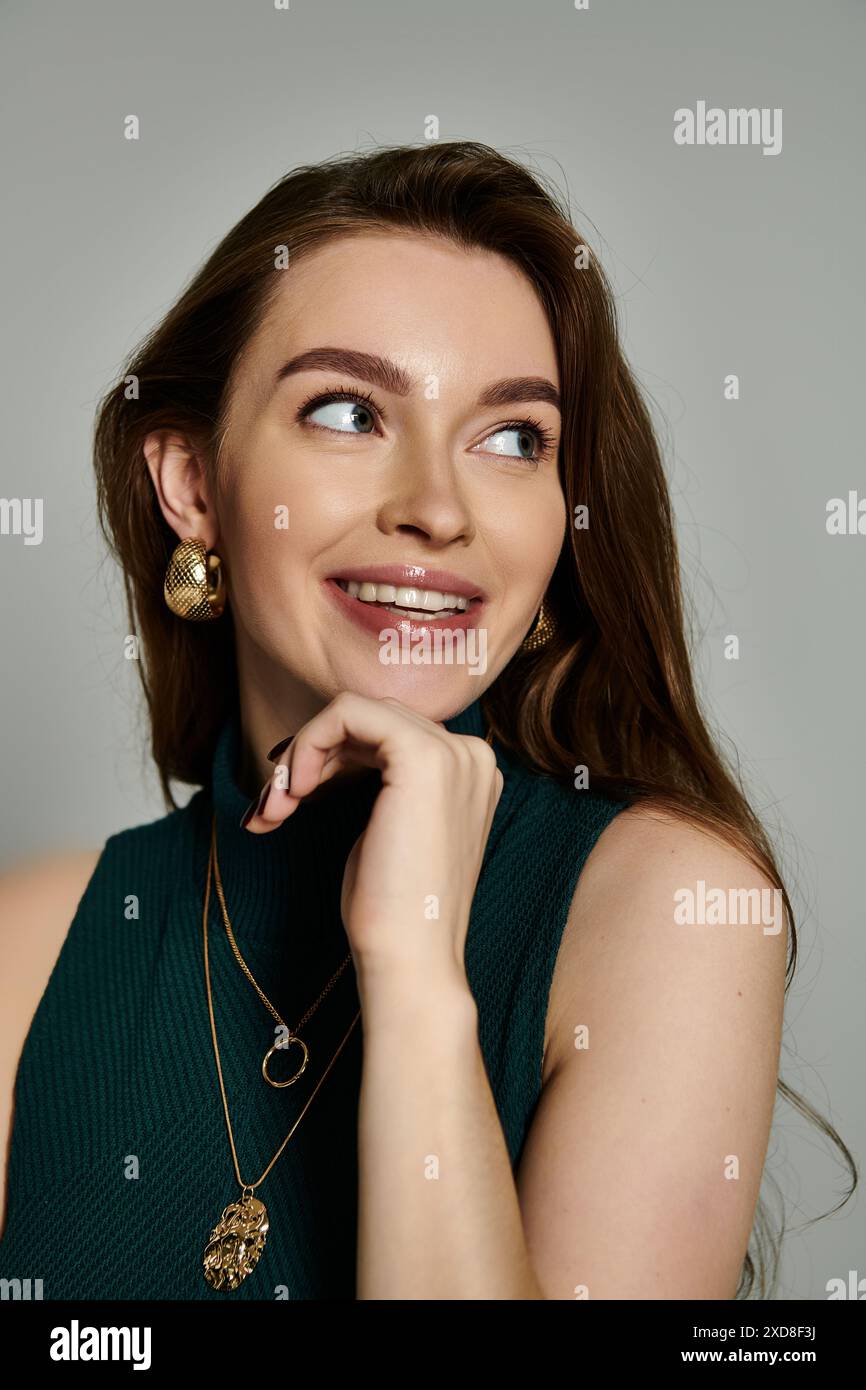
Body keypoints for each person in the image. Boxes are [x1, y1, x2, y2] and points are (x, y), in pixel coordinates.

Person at [0, 141, 851, 1301]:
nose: (439, 509)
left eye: (512, 439)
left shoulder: (671, 908)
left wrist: (413, 981)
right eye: (348, 411)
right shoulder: (29, 948)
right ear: (193, 484)